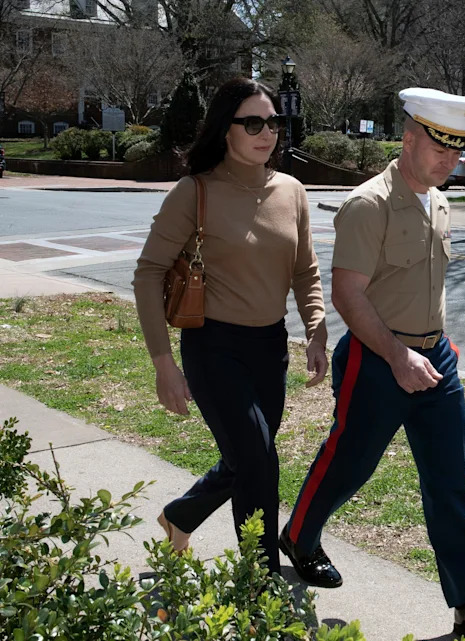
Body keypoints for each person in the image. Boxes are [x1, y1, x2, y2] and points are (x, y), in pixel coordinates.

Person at [280, 88, 465, 641]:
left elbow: (424, 284)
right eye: (440, 148)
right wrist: (397, 353)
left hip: (434, 361)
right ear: (409, 138)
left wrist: (437, 343)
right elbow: (348, 294)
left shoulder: (439, 200)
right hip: (376, 359)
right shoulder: (370, 205)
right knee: (349, 464)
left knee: (450, 483)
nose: (451, 161)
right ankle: (299, 536)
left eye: (458, 151)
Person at [132, 78, 328, 575]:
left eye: (274, 122)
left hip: (270, 347)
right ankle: (258, 583)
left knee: (249, 458)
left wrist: (316, 328)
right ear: (226, 129)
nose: (268, 133)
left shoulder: (292, 191)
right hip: (213, 346)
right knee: (258, 461)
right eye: (253, 123)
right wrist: (163, 364)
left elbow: (305, 270)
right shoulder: (194, 192)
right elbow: (149, 273)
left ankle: (180, 516)